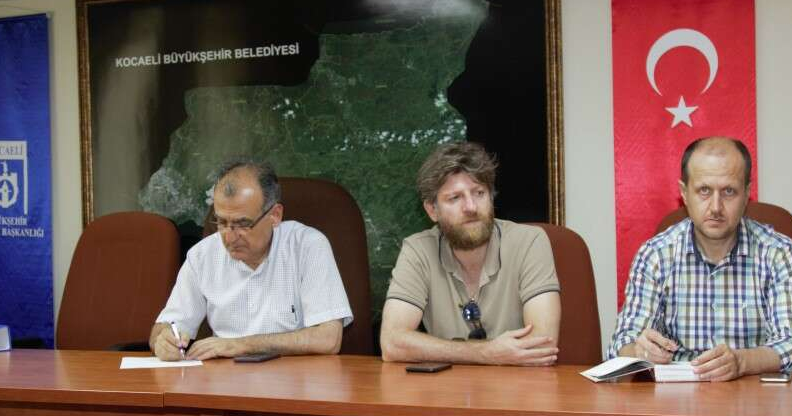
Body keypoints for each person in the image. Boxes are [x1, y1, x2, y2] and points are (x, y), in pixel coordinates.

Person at [609, 136, 792, 379]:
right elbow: (622, 343)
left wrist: (741, 362)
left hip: (752, 394)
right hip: (676, 396)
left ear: (747, 194)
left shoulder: (779, 253)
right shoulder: (655, 255)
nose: (716, 207)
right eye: (704, 190)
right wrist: (638, 351)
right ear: (684, 193)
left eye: (729, 192)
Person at [381, 141, 561, 366]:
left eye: (479, 193)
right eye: (455, 198)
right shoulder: (418, 251)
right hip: (448, 387)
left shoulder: (529, 242)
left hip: (520, 386)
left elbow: (541, 346)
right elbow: (392, 343)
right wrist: (485, 353)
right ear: (432, 210)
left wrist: (451, 351)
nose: (471, 207)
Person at [150, 159, 351, 360]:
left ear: (275, 215)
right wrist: (164, 340)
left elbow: (329, 339)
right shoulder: (202, 256)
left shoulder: (307, 246)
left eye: (243, 224)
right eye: (221, 222)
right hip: (224, 377)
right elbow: (165, 327)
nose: (229, 237)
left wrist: (242, 345)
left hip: (294, 376)